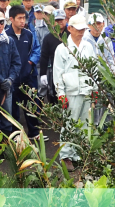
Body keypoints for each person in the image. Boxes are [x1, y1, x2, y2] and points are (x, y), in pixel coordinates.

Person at [53, 14, 97, 171]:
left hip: (85, 90)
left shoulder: (88, 46)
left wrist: (95, 89)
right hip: (70, 91)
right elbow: (57, 73)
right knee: (69, 124)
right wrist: (61, 94)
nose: (81, 32)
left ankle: (79, 154)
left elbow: (94, 69)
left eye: (83, 29)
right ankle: (66, 156)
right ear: (69, 28)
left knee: (85, 124)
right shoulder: (62, 48)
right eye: (78, 29)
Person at [6, 6, 41, 140]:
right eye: (19, 18)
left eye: (24, 18)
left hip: (29, 75)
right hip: (13, 78)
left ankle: (34, 133)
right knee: (14, 107)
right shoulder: (6, 36)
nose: (22, 21)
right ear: (11, 19)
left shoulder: (29, 34)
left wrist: (30, 63)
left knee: (31, 104)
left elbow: (36, 50)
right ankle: (16, 134)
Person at [40, 10, 65, 103]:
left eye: (61, 20)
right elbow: (44, 56)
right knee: (54, 96)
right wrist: (43, 74)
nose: (59, 22)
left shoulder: (70, 35)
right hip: (54, 71)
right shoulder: (48, 38)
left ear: (65, 20)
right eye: (57, 20)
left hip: (69, 71)